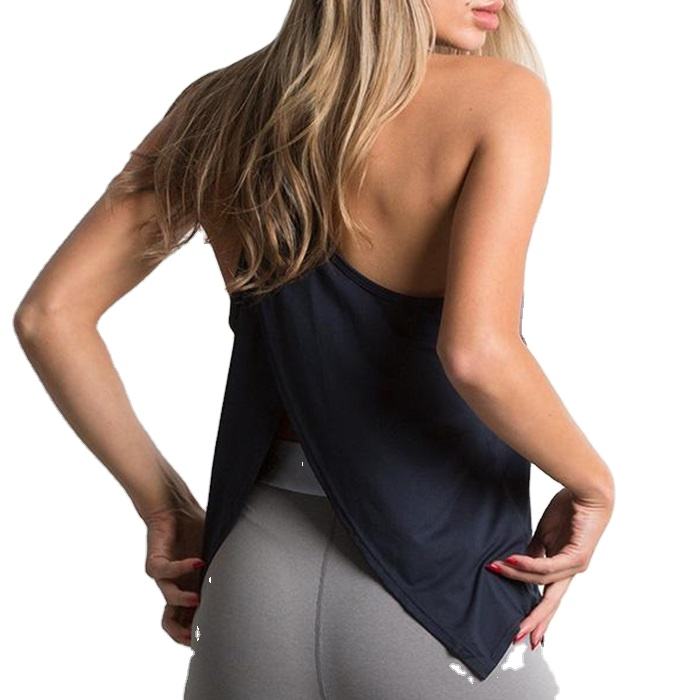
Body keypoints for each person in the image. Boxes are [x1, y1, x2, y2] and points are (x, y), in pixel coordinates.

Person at [14, 1, 615, 697]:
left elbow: (50, 316)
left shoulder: (215, 109)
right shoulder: (501, 98)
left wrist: (164, 507)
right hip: (437, 584)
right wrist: (592, 484)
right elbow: (478, 353)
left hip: (250, 579)